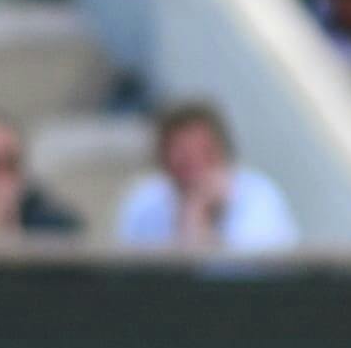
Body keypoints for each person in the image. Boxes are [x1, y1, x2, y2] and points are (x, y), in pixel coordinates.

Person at [114, 99, 298, 251]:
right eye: (181, 152)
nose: (193, 161)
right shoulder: (143, 200)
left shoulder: (259, 196)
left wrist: (197, 214)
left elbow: (243, 276)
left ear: (222, 150)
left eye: (203, 151)